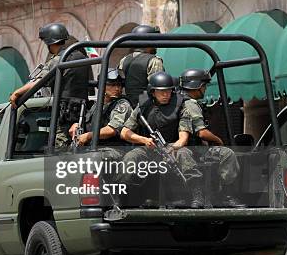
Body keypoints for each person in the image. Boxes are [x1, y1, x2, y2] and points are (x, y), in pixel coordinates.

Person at [120, 72, 204, 208]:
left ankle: (197, 195)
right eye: (161, 92)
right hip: (150, 146)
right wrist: (143, 140)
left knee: (184, 154)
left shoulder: (181, 105)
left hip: (172, 146)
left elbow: (183, 138)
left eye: (168, 91)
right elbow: (125, 132)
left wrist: (173, 148)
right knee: (131, 157)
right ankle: (123, 197)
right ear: (153, 92)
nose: (166, 95)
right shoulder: (143, 105)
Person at [9, 23, 89, 147]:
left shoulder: (59, 60)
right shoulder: (80, 56)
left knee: (59, 150)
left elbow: (39, 81)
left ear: (49, 43)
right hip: (83, 111)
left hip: (65, 114)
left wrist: (17, 92)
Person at [179, 69, 245, 207]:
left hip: (185, 148)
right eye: (204, 85)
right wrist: (218, 140)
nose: (205, 89)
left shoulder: (178, 100)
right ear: (197, 86)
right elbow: (201, 132)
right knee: (227, 154)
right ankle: (226, 195)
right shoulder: (190, 103)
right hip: (191, 150)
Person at [69, 69, 132, 147]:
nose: (117, 88)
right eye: (112, 85)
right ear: (101, 86)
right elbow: (89, 122)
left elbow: (111, 130)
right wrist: (77, 124)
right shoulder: (98, 104)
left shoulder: (122, 104)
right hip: (94, 146)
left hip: (113, 148)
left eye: (119, 85)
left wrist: (88, 136)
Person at [118, 25, 164, 106]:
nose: (156, 45)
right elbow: (159, 88)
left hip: (127, 105)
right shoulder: (154, 61)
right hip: (147, 107)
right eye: (153, 41)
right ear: (148, 42)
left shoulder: (124, 60)